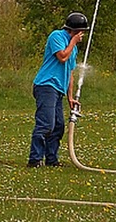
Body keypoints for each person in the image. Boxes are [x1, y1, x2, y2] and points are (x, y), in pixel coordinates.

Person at [27, 11, 89, 168]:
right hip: (46, 85)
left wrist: (70, 97)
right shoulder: (57, 37)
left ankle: (52, 160)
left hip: (58, 89)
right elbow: (62, 57)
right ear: (75, 31)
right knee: (46, 124)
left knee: (58, 126)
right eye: (81, 33)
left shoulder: (73, 49)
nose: (82, 36)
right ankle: (35, 159)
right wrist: (73, 42)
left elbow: (70, 73)